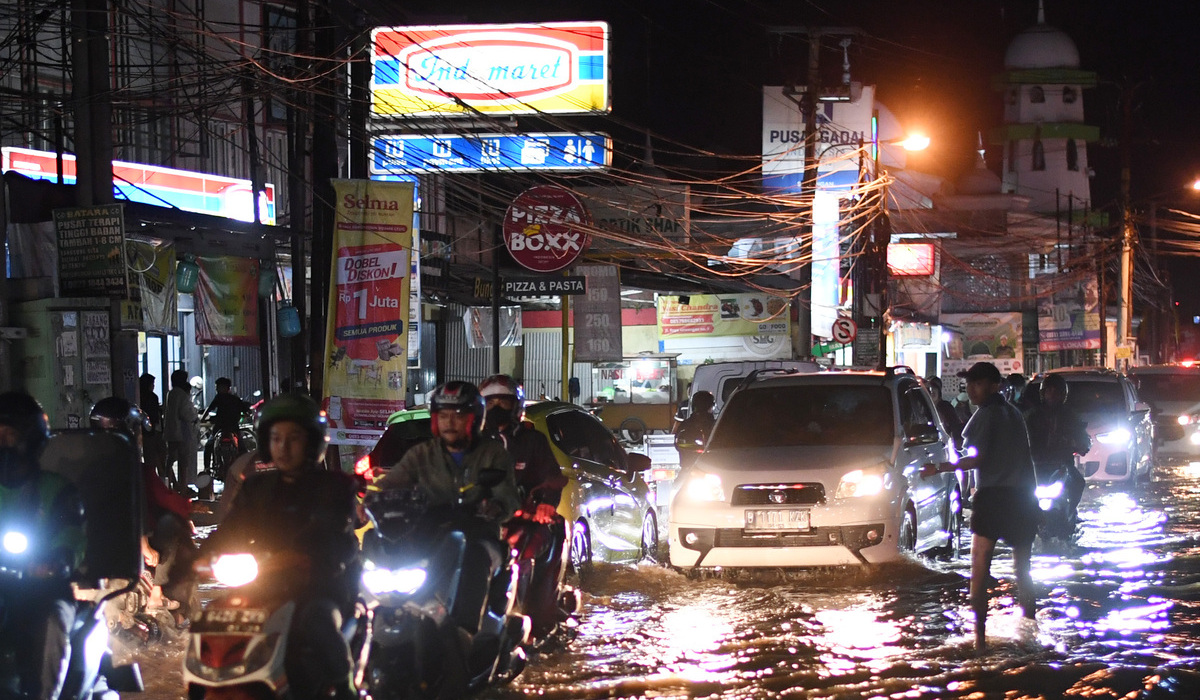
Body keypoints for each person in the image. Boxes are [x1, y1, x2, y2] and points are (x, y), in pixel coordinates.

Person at [201, 393, 361, 700]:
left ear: (312, 442)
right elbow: (230, 530)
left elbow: (341, 539)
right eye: (276, 438)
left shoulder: (336, 487)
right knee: (215, 619)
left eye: (294, 439)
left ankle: (345, 686)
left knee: (318, 621)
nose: (283, 448)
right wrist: (195, 557)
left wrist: (309, 557)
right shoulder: (256, 487)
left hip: (319, 586)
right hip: (264, 585)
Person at [374, 381, 520, 635]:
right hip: (428, 534)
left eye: (458, 415)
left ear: (474, 419)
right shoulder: (421, 454)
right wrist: (367, 502)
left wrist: (494, 507)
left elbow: (507, 498)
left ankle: (465, 632)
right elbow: (389, 484)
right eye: (443, 416)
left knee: (475, 555)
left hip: (479, 535)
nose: (450, 422)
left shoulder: (493, 454)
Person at [921, 361, 1039, 652]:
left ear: (994, 385)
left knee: (979, 570)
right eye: (969, 383)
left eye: (978, 383)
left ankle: (980, 642)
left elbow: (975, 458)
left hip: (993, 498)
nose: (971, 389)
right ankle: (1030, 637)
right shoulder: (1014, 414)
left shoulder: (986, 416)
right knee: (1023, 571)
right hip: (1023, 499)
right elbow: (1027, 461)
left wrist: (939, 467)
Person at [0, 391, 85, 700]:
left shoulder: (56, 490)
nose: (3, 443)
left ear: (31, 439)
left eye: (9, 435)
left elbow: (71, 536)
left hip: (42, 590)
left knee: (52, 622)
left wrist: (58, 559)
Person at [90, 396, 199, 622]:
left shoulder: (87, 464)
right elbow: (152, 504)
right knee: (174, 526)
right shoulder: (135, 471)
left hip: (94, 547)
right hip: (129, 544)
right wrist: (146, 545)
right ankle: (157, 595)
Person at [478, 374, 568, 638]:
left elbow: (551, 477)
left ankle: (537, 616)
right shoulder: (471, 444)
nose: (495, 409)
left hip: (522, 519)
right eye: (489, 403)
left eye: (502, 403)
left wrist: (544, 505)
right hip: (480, 522)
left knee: (540, 540)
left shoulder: (532, 441)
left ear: (515, 406)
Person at [1023, 374, 1090, 515]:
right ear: (1043, 393)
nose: (1052, 395)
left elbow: (1082, 436)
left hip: (1062, 466)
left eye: (1056, 392)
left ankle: (1071, 512)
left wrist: (1080, 444)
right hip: (1036, 466)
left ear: (1062, 395)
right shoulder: (1031, 416)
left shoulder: (1070, 416)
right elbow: (1019, 436)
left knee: (1078, 483)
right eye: (1049, 391)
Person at [200, 377, 251, 475]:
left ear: (224, 387)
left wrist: (202, 418)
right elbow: (246, 411)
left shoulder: (219, 397)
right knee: (242, 448)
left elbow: (209, 409)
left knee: (209, 446)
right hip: (233, 427)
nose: (216, 389)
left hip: (220, 427)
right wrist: (245, 414)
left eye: (218, 387)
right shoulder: (235, 399)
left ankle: (206, 470)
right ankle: (245, 469)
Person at [164, 369, 199, 497]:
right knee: (184, 461)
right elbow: (186, 414)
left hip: (171, 432)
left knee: (170, 459)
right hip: (182, 432)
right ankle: (183, 488)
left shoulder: (171, 393)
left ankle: (169, 484)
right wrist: (195, 415)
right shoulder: (182, 395)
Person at [140, 373, 169, 488]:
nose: (153, 386)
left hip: (145, 431)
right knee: (160, 456)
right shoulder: (152, 397)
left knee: (150, 459)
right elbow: (154, 416)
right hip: (154, 431)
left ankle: (152, 483)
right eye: (152, 384)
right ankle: (161, 483)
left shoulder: (140, 396)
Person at [675, 390, 716, 470]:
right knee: (679, 482)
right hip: (692, 469)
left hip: (710, 469)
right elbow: (678, 444)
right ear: (712, 406)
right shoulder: (715, 425)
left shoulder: (685, 424)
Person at [926, 376, 963, 450]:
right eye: (930, 389)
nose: (932, 391)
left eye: (935, 388)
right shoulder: (924, 408)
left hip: (946, 445)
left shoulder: (945, 406)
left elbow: (955, 425)